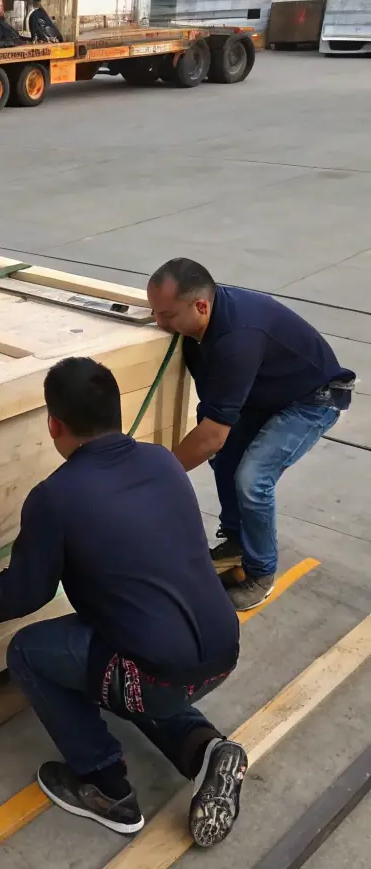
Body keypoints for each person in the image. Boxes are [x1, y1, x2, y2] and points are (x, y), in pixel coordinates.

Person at [0, 356, 247, 846]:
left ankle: (107, 787)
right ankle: (205, 751)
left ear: (54, 424)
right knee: (135, 668)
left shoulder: (56, 496)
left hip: (155, 669)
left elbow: (24, 593)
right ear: (116, 410)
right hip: (222, 647)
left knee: (32, 653)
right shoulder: (160, 460)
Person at [147, 258, 355, 611]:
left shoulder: (238, 337)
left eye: (166, 315)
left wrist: (153, 477)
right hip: (265, 391)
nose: (159, 322)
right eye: (155, 312)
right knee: (225, 456)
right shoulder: (201, 324)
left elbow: (212, 433)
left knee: (252, 478)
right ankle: (237, 541)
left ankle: (260, 573)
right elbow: (215, 421)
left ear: (200, 305)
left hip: (313, 398)